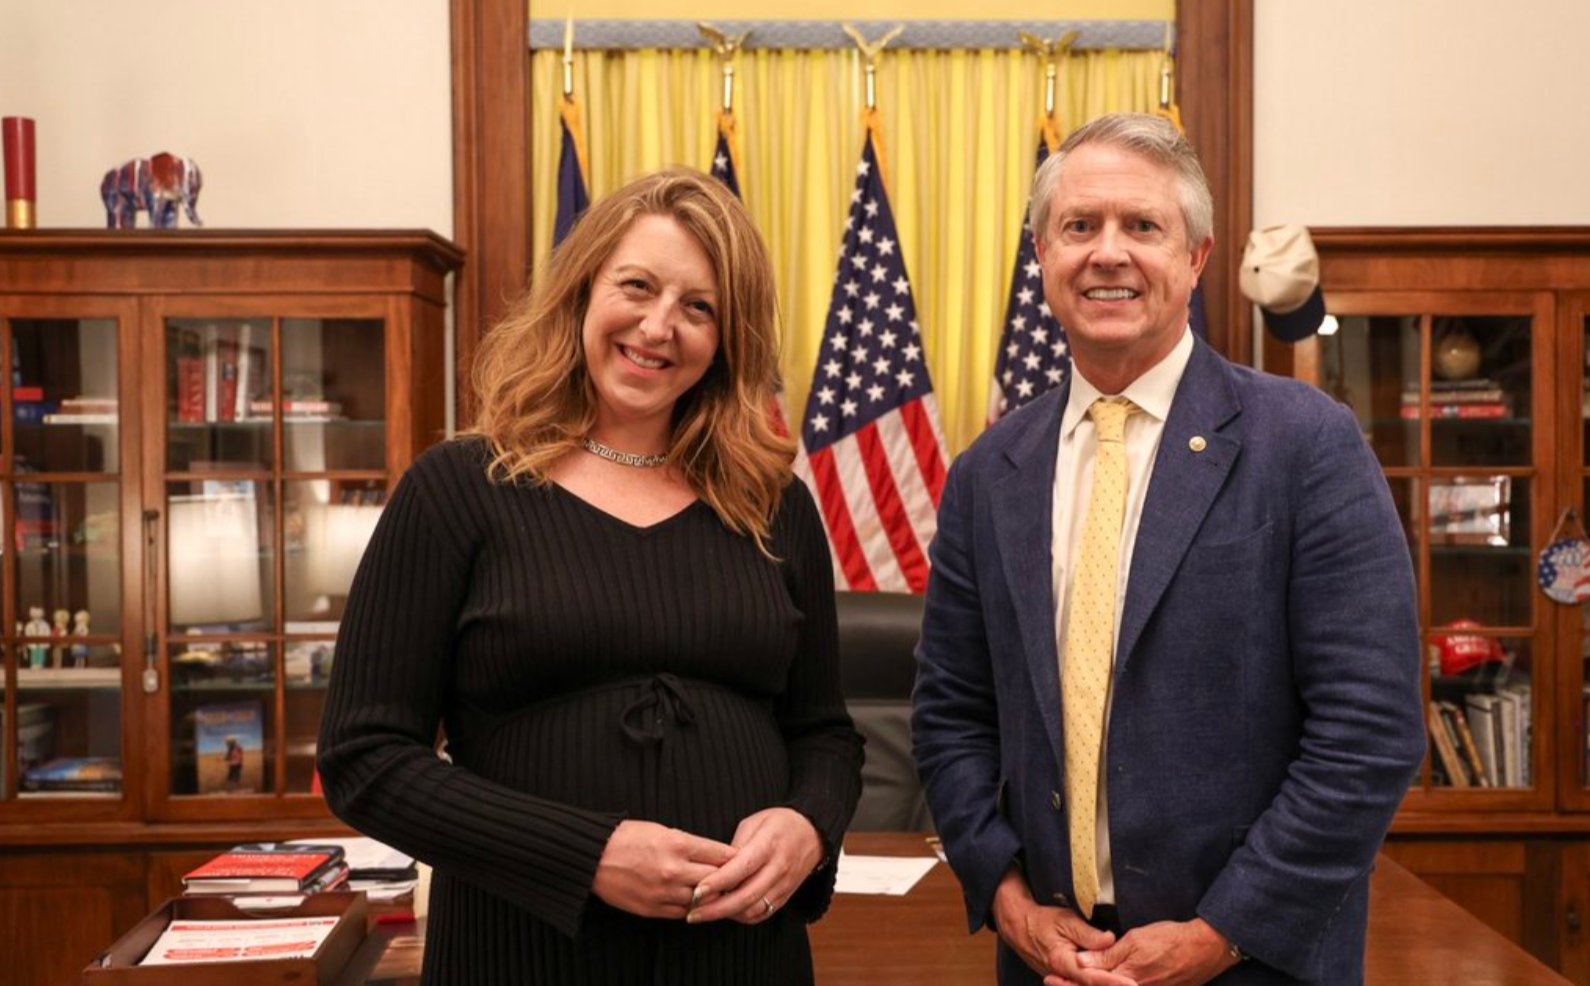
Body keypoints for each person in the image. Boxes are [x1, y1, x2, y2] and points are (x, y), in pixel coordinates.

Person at [910, 112, 1425, 986]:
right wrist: (1009, 901)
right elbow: (951, 713)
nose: (1107, 253)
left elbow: (1369, 730)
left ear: (1195, 257)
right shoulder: (988, 473)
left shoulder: (1306, 443)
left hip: (1250, 963)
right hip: (1047, 962)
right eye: (1080, 226)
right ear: (1042, 254)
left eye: (1143, 226)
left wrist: (1220, 934)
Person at [317, 168, 863, 985]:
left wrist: (807, 824)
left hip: (743, 959)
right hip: (519, 955)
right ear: (581, 290)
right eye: (636, 287)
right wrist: (586, 854)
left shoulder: (772, 504)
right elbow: (364, 758)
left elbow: (825, 734)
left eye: (699, 307)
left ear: (727, 340)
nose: (659, 326)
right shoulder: (458, 489)